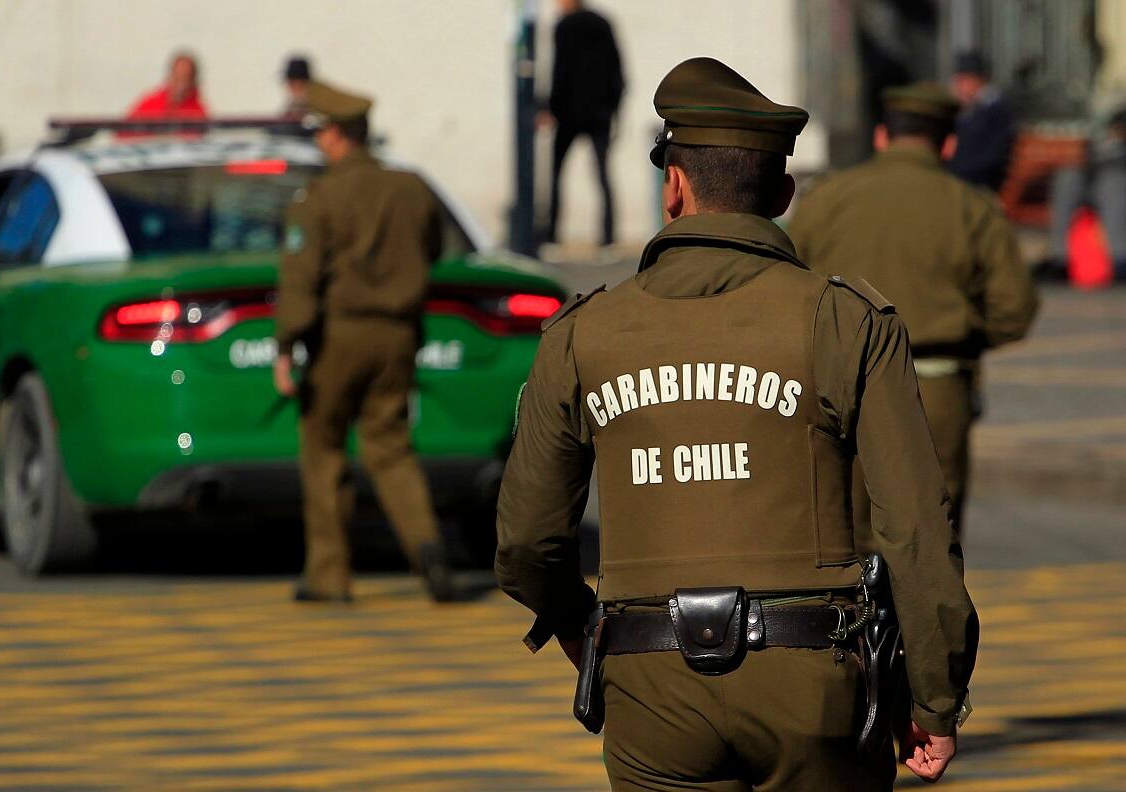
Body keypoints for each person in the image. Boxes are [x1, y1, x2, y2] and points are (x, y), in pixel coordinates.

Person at [497, 58, 978, 790]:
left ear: (674, 187)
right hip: (815, 682)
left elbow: (528, 537)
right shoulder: (844, 321)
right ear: (781, 193)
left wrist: (578, 626)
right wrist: (935, 696)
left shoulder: (582, 332)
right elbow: (914, 526)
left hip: (650, 684)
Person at [789, 82, 1038, 540]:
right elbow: (1014, 310)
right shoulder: (972, 207)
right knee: (929, 542)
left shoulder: (825, 198)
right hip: (936, 387)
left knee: (844, 540)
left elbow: (786, 285)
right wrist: (962, 331)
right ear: (949, 143)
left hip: (841, 388)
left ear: (881, 136)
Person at [274, 81, 455, 604]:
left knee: (325, 449)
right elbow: (434, 247)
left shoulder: (320, 197)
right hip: (398, 335)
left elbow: (300, 280)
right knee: (392, 448)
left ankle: (329, 576)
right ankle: (429, 551)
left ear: (334, 136)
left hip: (339, 335)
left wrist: (286, 346)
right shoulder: (411, 187)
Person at [542, 0, 624, 247]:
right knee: (602, 174)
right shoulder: (603, 23)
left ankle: (552, 236)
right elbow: (617, 70)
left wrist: (552, 108)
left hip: (569, 112)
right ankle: (608, 237)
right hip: (599, 113)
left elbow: (560, 71)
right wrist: (614, 108)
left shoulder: (564, 26)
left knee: (556, 173)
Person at [1047, 106, 1126, 280]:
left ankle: (1119, 259)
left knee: (1113, 181)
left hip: (1116, 187)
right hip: (1095, 184)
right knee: (1068, 177)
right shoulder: (1107, 138)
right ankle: (1061, 258)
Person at [948, 51, 1015, 191]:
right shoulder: (966, 110)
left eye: (963, 81)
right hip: (964, 177)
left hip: (980, 182)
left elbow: (990, 158)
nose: (958, 87)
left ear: (978, 80)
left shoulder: (995, 110)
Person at [127, 51, 208, 120]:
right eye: (177, 78)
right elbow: (125, 130)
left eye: (185, 79)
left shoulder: (198, 114)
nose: (181, 86)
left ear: (192, 81)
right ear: (170, 77)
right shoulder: (150, 105)